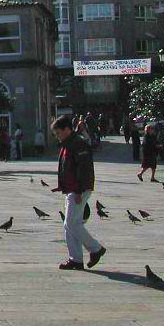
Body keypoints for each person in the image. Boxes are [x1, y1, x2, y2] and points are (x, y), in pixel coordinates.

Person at [51, 115, 105, 271]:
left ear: (67, 129)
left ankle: (95, 249)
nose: (57, 136)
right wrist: (63, 186)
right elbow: (68, 168)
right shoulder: (68, 143)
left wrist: (79, 190)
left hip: (79, 189)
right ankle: (76, 259)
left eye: (58, 133)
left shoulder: (78, 144)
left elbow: (84, 169)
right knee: (69, 224)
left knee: (72, 224)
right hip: (72, 189)